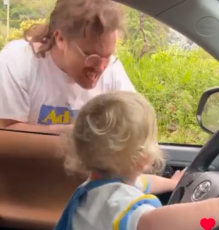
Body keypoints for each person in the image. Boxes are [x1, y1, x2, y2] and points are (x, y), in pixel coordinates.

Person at [12, 91, 219, 230]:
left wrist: (173, 183)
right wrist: (212, 209)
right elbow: (154, 227)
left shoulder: (100, 185)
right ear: (144, 157)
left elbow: (143, 183)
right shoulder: (112, 204)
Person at [0, 0, 135, 134]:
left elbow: (136, 121)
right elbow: (6, 133)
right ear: (61, 39)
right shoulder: (17, 61)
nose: (101, 67)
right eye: (91, 57)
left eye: (108, 56)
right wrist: (74, 135)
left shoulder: (112, 69)